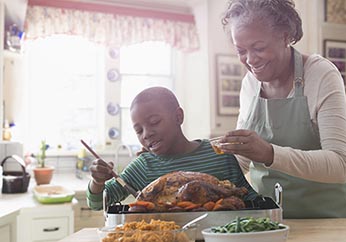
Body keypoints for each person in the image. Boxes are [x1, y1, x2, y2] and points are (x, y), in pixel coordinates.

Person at [218, 0, 346, 218]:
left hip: (327, 220)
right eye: (241, 50)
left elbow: (341, 165)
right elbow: (241, 160)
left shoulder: (321, 75)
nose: (250, 60)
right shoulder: (249, 84)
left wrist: (270, 153)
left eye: (259, 48)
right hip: (266, 220)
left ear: (286, 35)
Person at [87, 87, 257, 210]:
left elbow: (248, 198)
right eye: (138, 130)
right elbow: (98, 203)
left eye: (154, 122)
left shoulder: (218, 155)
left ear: (178, 116)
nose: (146, 134)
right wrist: (97, 181)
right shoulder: (143, 166)